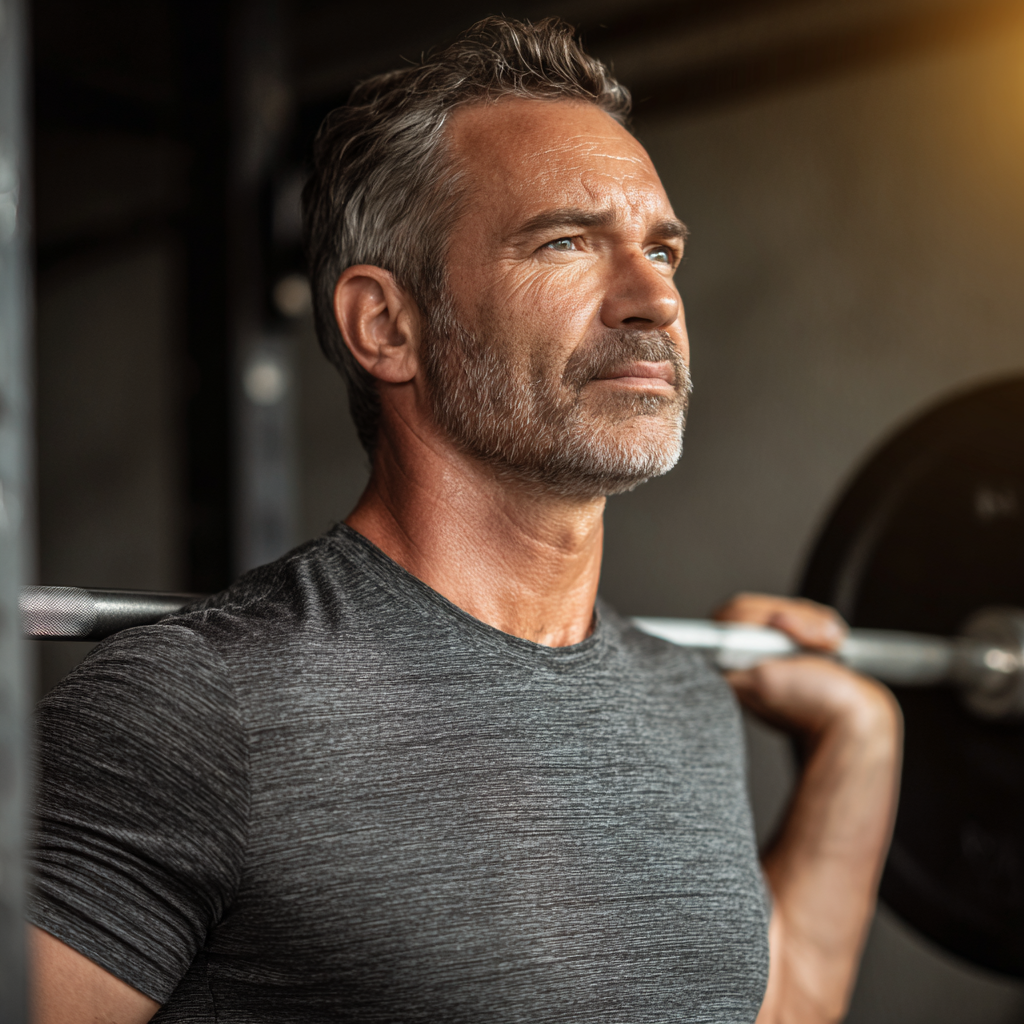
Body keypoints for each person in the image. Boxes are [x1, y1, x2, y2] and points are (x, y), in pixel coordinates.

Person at [28, 16, 901, 1024]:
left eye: (661, 249)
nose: (653, 297)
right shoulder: (197, 711)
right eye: (567, 241)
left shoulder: (682, 704)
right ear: (387, 326)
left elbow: (767, 1008)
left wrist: (859, 737)